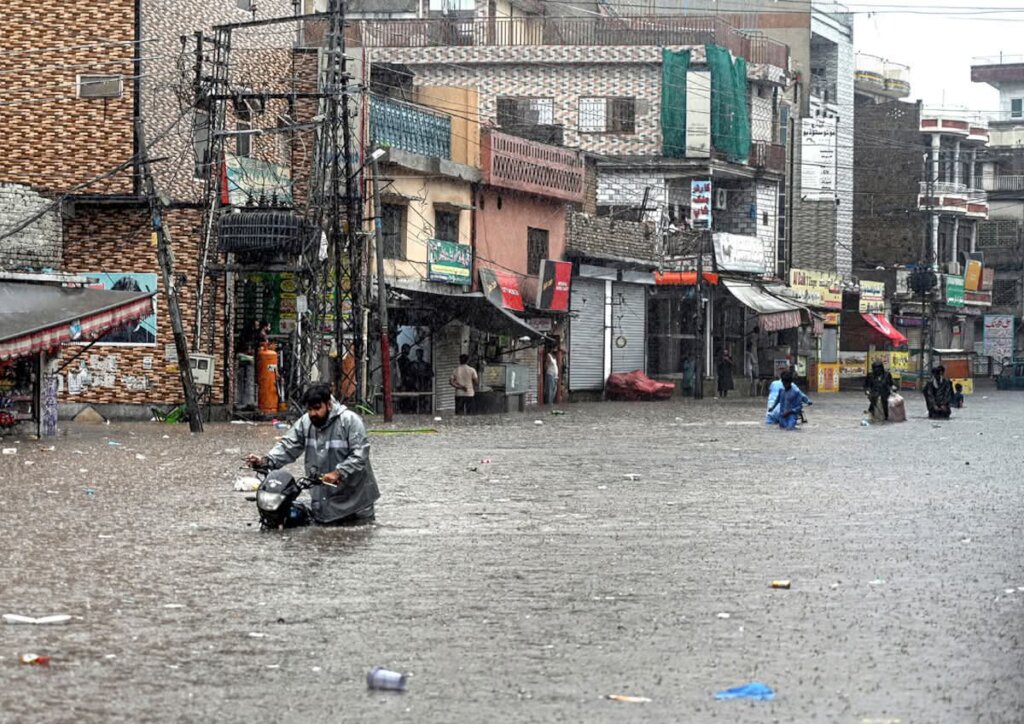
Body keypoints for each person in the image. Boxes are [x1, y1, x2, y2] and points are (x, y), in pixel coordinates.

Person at [245, 383, 379, 524]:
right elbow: (288, 446)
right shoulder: (306, 422)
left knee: (354, 538)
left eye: (317, 408)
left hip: (355, 504)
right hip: (323, 503)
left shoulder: (350, 421)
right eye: (309, 409)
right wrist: (266, 461)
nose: (313, 414)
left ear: (328, 405)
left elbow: (360, 454)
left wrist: (338, 473)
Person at [408, 348, 433, 413]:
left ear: (422, 355)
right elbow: (409, 375)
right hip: (415, 386)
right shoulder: (412, 364)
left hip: (424, 386)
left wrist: (424, 375)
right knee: (415, 402)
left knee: (423, 402)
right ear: (416, 354)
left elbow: (431, 374)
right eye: (418, 354)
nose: (419, 355)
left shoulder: (426, 365)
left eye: (421, 354)